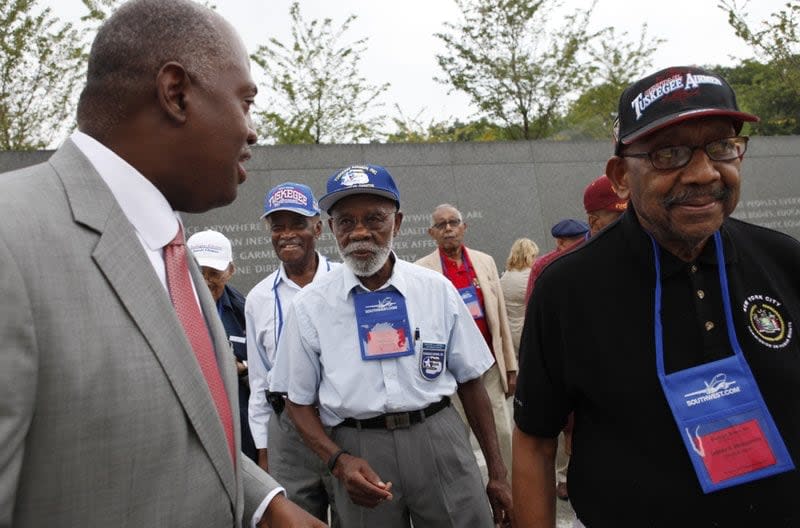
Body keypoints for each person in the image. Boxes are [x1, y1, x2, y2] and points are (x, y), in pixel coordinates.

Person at [0, 1, 324, 526]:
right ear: (176, 94)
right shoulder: (11, 239)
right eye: (245, 102)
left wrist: (264, 504)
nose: (252, 130)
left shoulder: (171, 249)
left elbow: (185, 419)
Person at [513, 65, 800, 527]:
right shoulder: (567, 290)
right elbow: (534, 441)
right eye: (671, 153)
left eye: (722, 146)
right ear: (621, 177)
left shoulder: (785, 260)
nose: (704, 173)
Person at [279, 164, 513, 527]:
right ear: (330, 229)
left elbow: (470, 382)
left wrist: (498, 473)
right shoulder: (309, 307)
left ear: (398, 223)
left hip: (438, 438)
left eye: (374, 219)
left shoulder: (436, 291)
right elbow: (297, 402)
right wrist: (338, 461)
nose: (359, 232)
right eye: (345, 222)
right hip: (358, 449)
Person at [246, 182, 340, 525]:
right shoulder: (258, 299)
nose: (287, 234)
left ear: (317, 227)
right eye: (278, 226)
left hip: (341, 420)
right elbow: (259, 381)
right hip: (286, 429)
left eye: (297, 224)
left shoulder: (346, 281)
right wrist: (265, 451)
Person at [416, 204, 518, 478]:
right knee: (457, 438)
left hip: (488, 366)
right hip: (450, 371)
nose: (448, 228)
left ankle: (507, 489)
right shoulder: (422, 270)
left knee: (503, 433)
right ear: (432, 233)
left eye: (453, 222)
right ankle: (468, 493)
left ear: (464, 227)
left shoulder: (484, 261)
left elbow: (500, 319)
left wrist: (510, 366)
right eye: (441, 225)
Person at [188, 229, 258, 463]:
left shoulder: (245, 311)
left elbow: (266, 366)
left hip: (239, 422)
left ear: (230, 270)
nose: (205, 280)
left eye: (214, 272)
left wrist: (243, 367)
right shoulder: (168, 306)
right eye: (198, 272)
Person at [524, 218, 588, 303]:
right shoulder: (542, 264)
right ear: (560, 242)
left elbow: (530, 301)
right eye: (578, 243)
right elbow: (532, 302)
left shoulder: (541, 263)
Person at [499, 238, 540, 359]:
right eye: (534, 256)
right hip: (528, 328)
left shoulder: (505, 276)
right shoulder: (531, 276)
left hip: (510, 330)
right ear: (529, 256)